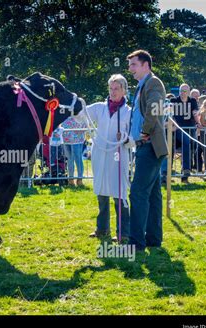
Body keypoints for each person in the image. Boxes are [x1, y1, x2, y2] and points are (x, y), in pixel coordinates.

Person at [127, 50, 168, 252]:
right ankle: (153, 239)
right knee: (152, 195)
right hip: (149, 145)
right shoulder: (144, 84)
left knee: (137, 193)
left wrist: (144, 131)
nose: (130, 69)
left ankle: (136, 243)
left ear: (146, 65)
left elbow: (155, 108)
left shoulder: (153, 83)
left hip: (150, 145)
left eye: (134, 64)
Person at [85, 74, 133, 242]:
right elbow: (81, 114)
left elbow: (135, 137)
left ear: (124, 90)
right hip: (100, 154)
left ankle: (124, 232)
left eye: (116, 89)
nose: (113, 92)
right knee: (101, 191)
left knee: (119, 193)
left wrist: (125, 138)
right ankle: (102, 228)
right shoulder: (99, 107)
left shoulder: (129, 112)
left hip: (118, 156)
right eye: (111, 88)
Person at [170, 84, 200, 183]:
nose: (183, 93)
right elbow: (170, 114)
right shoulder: (174, 101)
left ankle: (184, 177)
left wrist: (199, 123)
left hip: (191, 129)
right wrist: (172, 124)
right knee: (186, 142)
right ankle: (186, 169)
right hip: (178, 129)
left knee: (192, 148)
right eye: (181, 91)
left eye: (185, 91)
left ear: (189, 92)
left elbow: (195, 113)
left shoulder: (193, 101)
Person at [61, 115, 87, 186]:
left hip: (77, 140)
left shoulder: (80, 112)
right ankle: (71, 179)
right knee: (69, 159)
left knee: (78, 159)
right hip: (66, 140)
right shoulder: (66, 111)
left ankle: (79, 179)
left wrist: (80, 131)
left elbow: (86, 124)